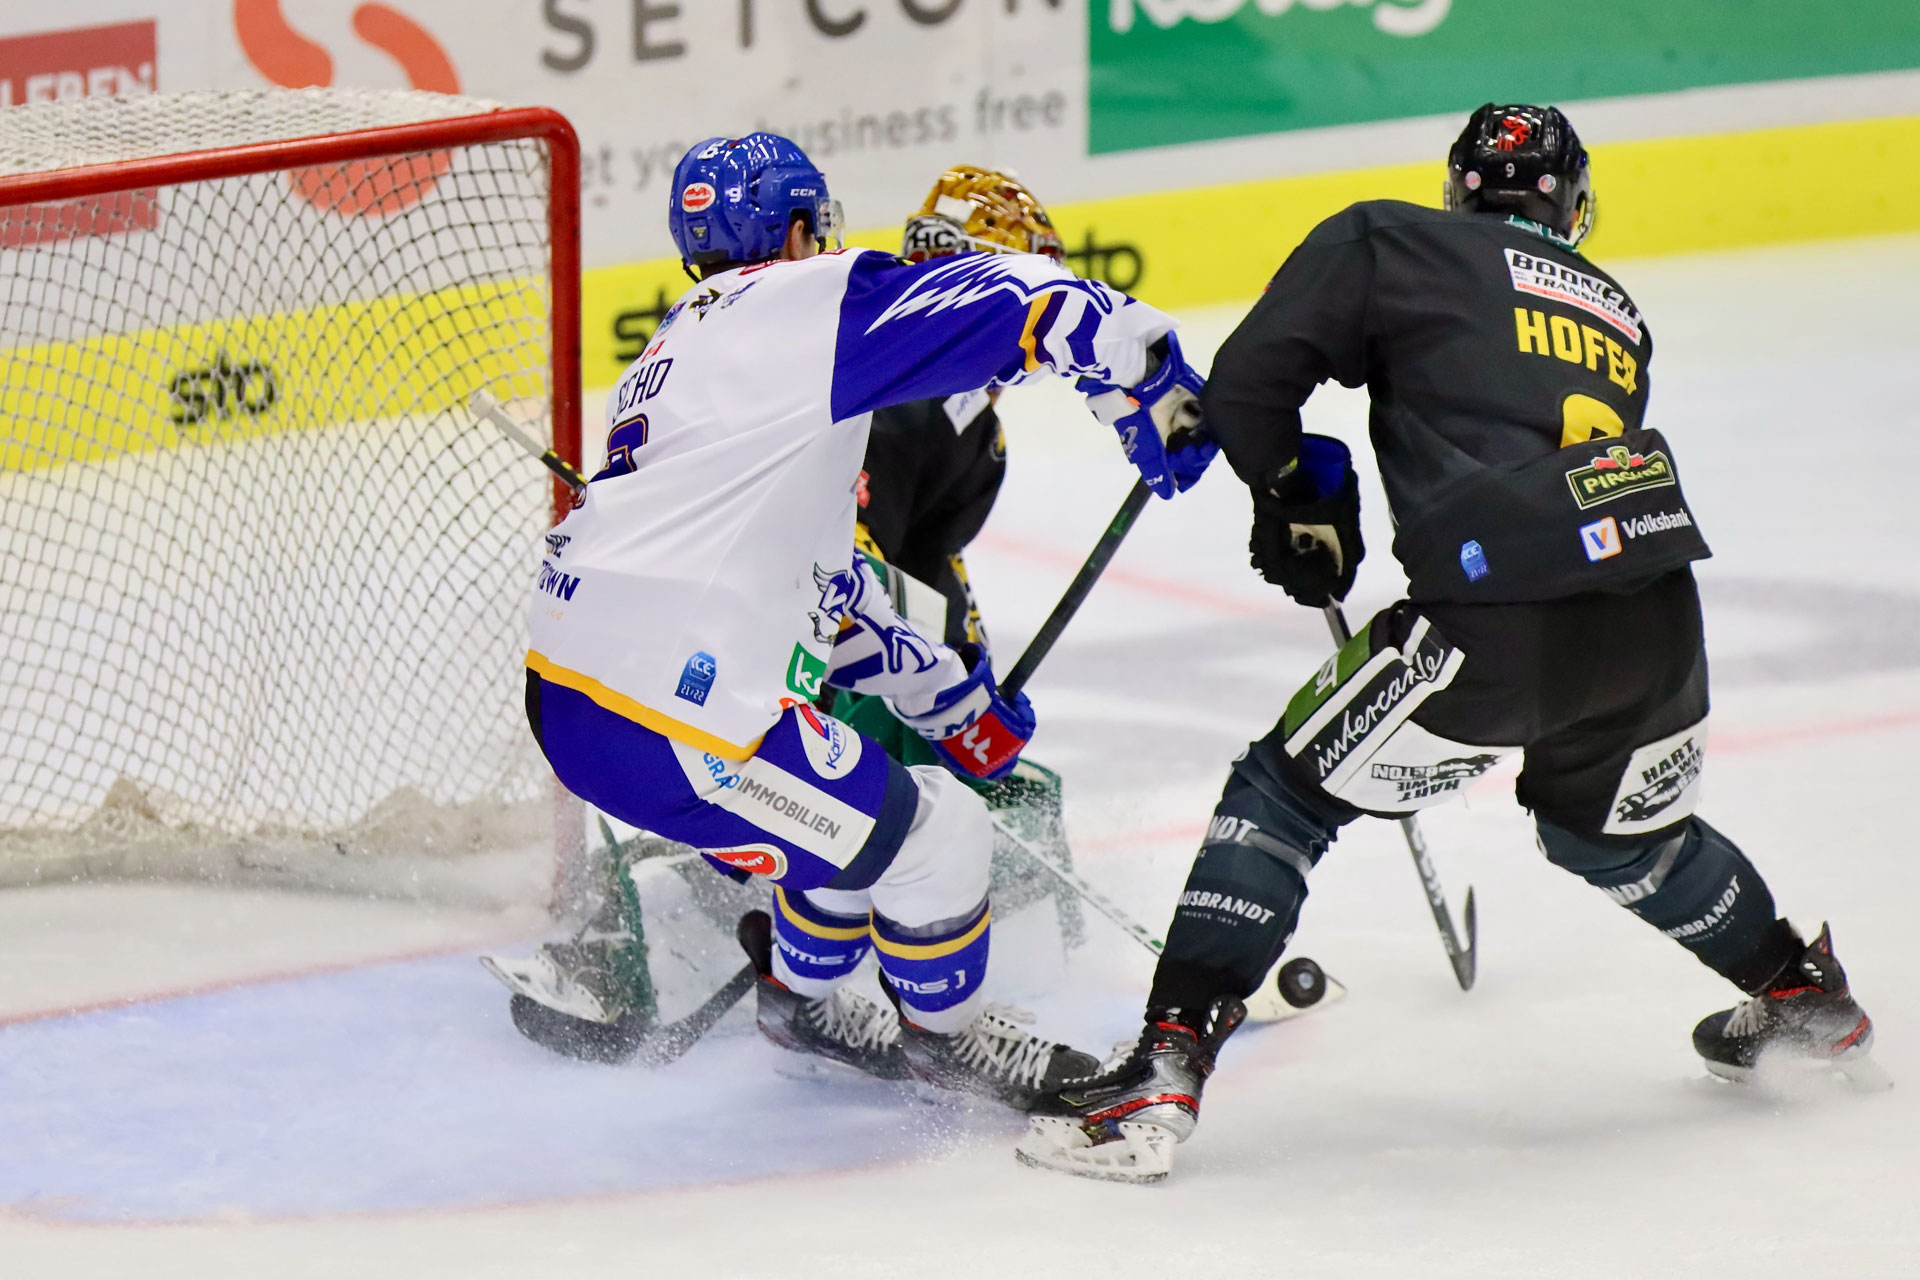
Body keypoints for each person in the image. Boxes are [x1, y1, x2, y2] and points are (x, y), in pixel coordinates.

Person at [1020, 103, 1880, 1179]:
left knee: (1284, 794)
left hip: (1496, 622)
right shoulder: (1616, 306)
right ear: (1570, 204)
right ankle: (1805, 996)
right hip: (1659, 620)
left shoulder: (1390, 237)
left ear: (1459, 188)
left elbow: (1249, 387)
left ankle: (1160, 1067)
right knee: (1614, 836)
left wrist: (1292, 488)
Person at [517, 133, 1216, 1108]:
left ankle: (801, 1007)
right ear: (798, 230)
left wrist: (951, 696)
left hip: (572, 693)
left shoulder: (682, 345)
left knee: (858, 812)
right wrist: (1143, 371)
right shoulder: (800, 306)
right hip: (669, 713)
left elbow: (826, 591)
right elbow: (1017, 295)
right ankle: (954, 1039)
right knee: (940, 832)